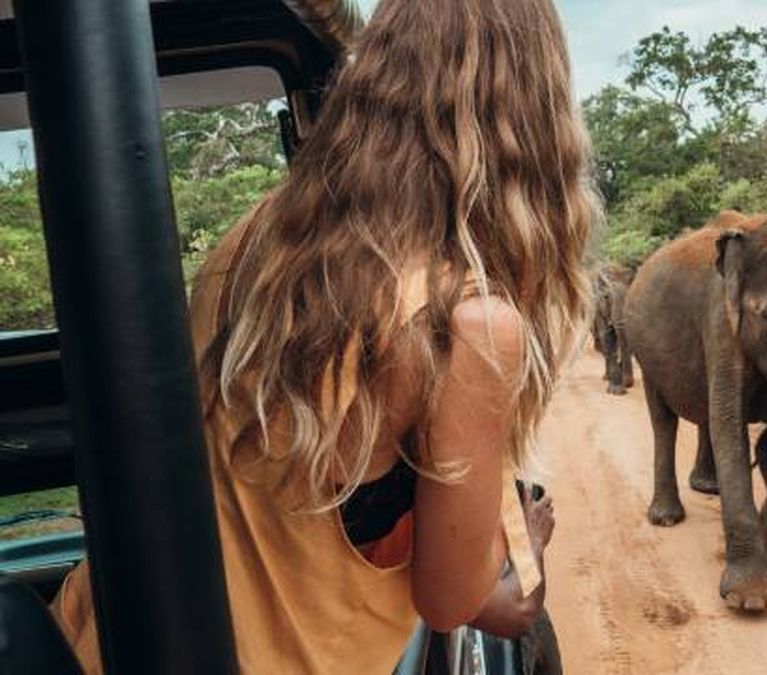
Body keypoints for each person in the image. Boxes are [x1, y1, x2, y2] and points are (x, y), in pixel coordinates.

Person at [52, 0, 595, 671]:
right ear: (535, 116)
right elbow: (451, 600)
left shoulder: (257, 241)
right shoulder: (466, 325)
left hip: (94, 638)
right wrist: (525, 552)